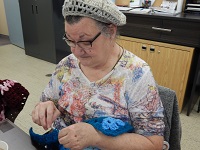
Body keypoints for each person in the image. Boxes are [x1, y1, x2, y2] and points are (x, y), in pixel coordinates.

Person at [32, 0, 165, 149]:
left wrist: (97, 138)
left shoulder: (136, 75)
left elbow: (154, 144)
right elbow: (48, 100)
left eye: (85, 41)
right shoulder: (67, 65)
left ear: (111, 31)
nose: (75, 51)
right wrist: (46, 106)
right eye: (70, 40)